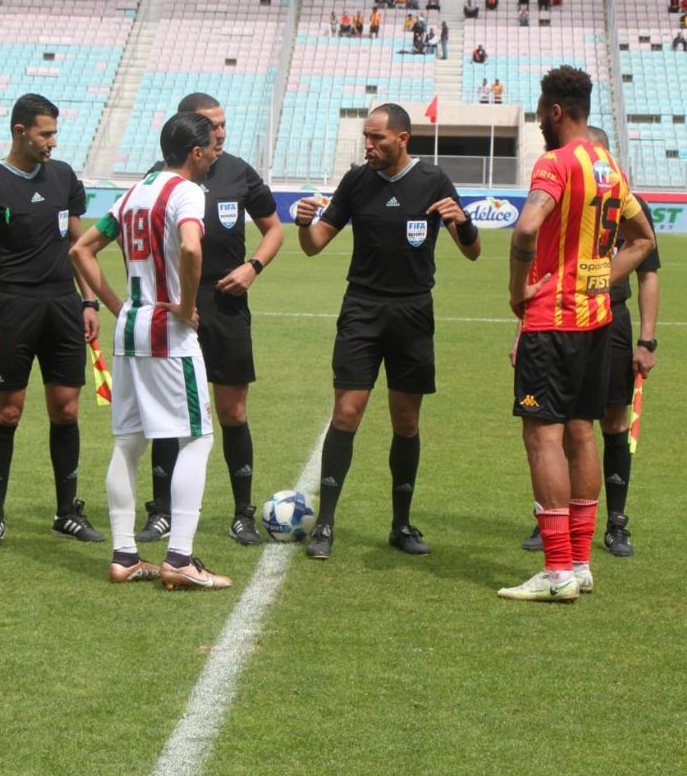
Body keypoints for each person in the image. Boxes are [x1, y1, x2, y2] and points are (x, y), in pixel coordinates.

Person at [294, 103, 481, 560]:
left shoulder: (434, 181)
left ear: (403, 139)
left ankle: (401, 525)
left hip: (413, 313)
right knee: (346, 414)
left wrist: (464, 221)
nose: (369, 146)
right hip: (362, 309)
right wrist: (304, 224)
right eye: (366, 137)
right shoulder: (357, 180)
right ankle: (324, 526)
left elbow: (472, 252)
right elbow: (315, 246)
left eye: (377, 138)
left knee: (406, 421)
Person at [499, 67, 655, 602]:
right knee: (582, 433)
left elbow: (525, 226)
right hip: (596, 321)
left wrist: (520, 290)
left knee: (543, 436)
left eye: (542, 112)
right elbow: (641, 239)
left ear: (555, 111)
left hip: (553, 323)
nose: (541, 121)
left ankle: (557, 570)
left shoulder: (556, 162)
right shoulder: (608, 164)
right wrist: (596, 280)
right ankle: (582, 563)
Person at [70, 113, 233, 590]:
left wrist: (122, 306)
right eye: (211, 147)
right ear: (195, 152)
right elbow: (191, 247)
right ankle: (179, 558)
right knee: (198, 438)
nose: (215, 153)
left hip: (129, 331)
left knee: (129, 442)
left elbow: (81, 250)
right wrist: (185, 305)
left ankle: (124, 555)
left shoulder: (135, 192)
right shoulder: (186, 193)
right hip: (166, 333)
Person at [135, 94, 284, 546]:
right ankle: (161, 511)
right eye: (210, 125)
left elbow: (274, 229)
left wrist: (252, 267)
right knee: (170, 415)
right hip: (177, 307)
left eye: (223, 123)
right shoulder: (160, 179)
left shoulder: (239, 172)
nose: (220, 132)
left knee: (232, 411)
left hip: (226, 305)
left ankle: (243, 513)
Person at [521, 125, 660, 558]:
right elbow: (540, 274)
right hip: (559, 317)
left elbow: (648, 270)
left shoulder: (623, 198)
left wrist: (647, 341)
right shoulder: (565, 199)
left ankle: (615, 524)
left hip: (610, 321)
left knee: (611, 425)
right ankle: (556, 526)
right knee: (564, 425)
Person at [0, 94, 104, 548]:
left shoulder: (63, 175)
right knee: (8, 411)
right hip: (14, 306)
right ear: (20, 132)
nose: (53, 142)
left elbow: (79, 244)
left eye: (55, 133)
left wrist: (89, 302)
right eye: (45, 134)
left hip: (63, 306)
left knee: (67, 408)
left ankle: (67, 511)